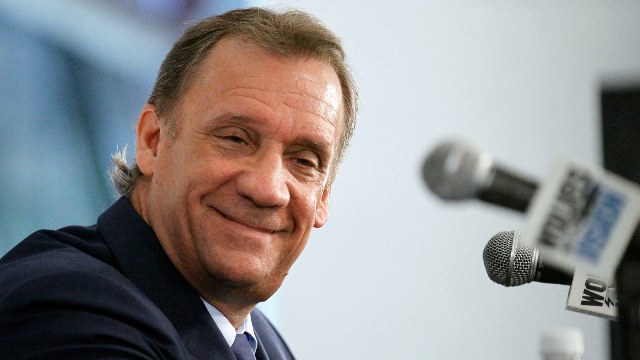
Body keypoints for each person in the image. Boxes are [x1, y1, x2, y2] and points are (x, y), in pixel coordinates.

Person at [0, 7, 357, 359]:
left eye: (303, 161)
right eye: (235, 139)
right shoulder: (66, 311)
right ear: (153, 141)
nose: (267, 189)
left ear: (323, 196)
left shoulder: (262, 341)